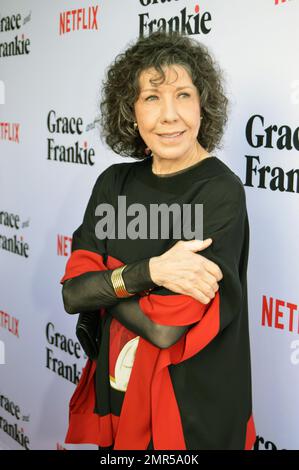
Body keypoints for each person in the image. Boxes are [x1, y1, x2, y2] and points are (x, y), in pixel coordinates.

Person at [60, 31, 256, 450]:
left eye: (183, 94)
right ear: (130, 113)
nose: (170, 115)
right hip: (118, 399)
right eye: (151, 98)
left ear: (203, 106)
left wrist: (109, 284)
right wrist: (152, 272)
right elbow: (74, 294)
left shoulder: (219, 191)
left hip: (191, 415)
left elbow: (165, 327)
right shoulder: (114, 183)